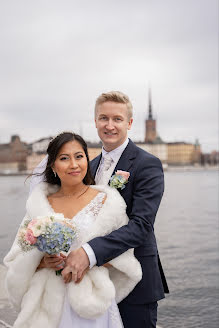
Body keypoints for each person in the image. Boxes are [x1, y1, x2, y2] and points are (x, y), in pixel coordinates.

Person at [4, 132, 142, 328]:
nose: (74, 165)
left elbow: (124, 254)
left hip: (91, 302)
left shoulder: (108, 202)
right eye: (64, 158)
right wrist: (42, 262)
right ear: (53, 165)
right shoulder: (39, 205)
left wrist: (88, 259)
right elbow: (18, 255)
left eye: (79, 156)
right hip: (49, 303)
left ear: (87, 158)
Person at [63, 91, 169, 328]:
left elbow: (141, 225)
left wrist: (88, 253)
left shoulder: (147, 164)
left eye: (117, 119)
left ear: (129, 123)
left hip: (135, 281)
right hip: (94, 283)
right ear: (95, 121)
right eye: (103, 118)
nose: (109, 125)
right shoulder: (89, 167)